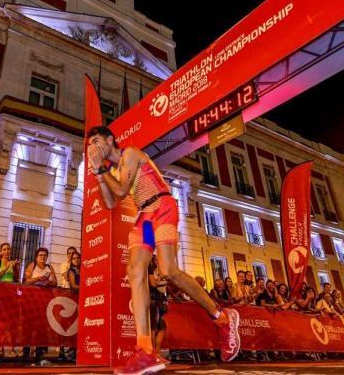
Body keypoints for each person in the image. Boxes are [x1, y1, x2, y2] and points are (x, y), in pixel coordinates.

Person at [87, 126, 240, 373]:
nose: (93, 147)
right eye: (89, 145)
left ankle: (221, 317)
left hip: (163, 207)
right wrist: (98, 171)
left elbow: (122, 190)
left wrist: (101, 170)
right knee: (135, 270)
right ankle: (145, 350)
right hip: (145, 217)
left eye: (95, 141)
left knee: (168, 270)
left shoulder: (131, 154)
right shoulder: (112, 169)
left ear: (110, 140)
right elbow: (109, 201)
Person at [23, 247, 56, 366]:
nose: (43, 257)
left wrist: (48, 282)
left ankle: (39, 352)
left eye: (45, 255)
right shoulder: (32, 266)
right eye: (40, 255)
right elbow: (26, 281)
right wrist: (37, 278)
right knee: (30, 326)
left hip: (44, 300)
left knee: (41, 326)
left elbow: (55, 282)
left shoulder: (50, 267)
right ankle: (26, 352)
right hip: (32, 299)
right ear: (36, 257)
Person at [148, 255, 168, 353]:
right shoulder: (150, 266)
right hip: (152, 299)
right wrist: (160, 279)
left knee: (161, 327)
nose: (158, 262)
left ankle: (156, 353)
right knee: (153, 327)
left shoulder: (153, 268)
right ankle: (153, 354)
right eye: (157, 260)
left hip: (156, 300)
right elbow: (153, 284)